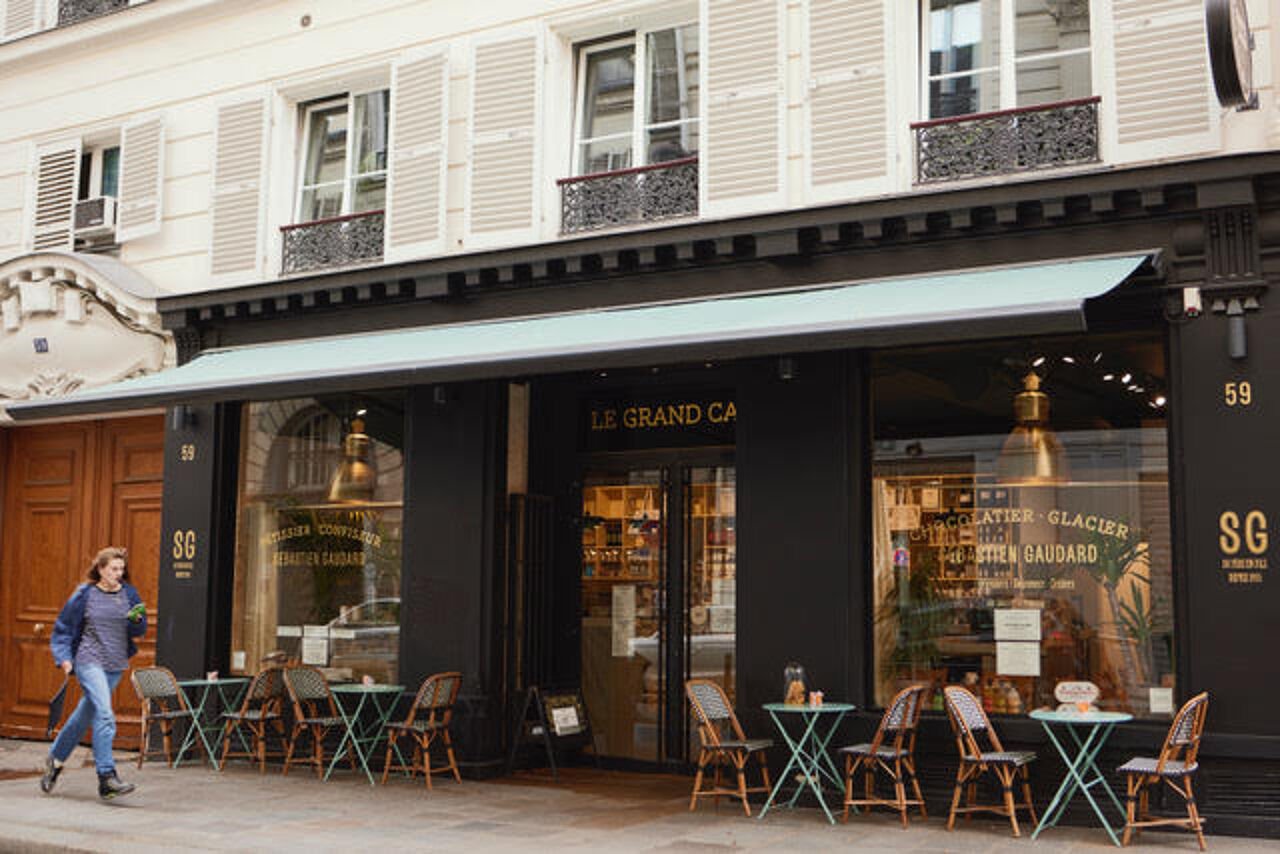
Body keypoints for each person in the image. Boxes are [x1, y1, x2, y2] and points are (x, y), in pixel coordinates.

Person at [40, 547, 147, 800]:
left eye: (121, 569)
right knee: (105, 715)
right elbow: (63, 628)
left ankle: (55, 759)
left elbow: (139, 630)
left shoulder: (129, 593)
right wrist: (64, 659)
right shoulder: (85, 594)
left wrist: (136, 620)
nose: (118, 573)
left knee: (82, 717)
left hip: (115, 665)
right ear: (100, 569)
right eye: (113, 569)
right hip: (88, 661)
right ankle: (106, 777)